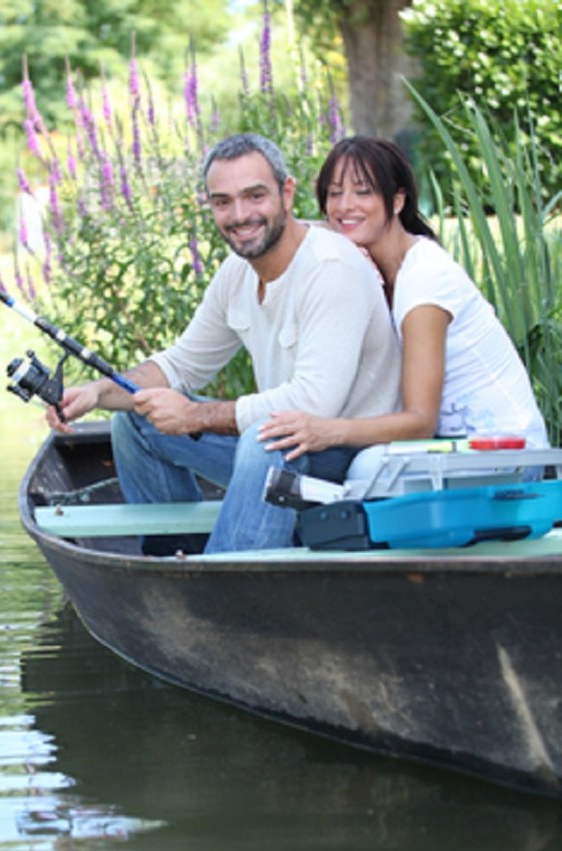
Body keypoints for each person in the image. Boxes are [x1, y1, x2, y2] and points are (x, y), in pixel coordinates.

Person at [46, 132, 401, 553]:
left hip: (350, 463)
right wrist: (98, 392)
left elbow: (312, 403)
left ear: (286, 194)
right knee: (136, 419)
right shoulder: (237, 272)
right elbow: (180, 364)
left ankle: (223, 582)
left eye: (255, 196)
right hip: (286, 454)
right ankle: (175, 560)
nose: (240, 215)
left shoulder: (330, 268)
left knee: (266, 436)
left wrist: (195, 416)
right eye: (222, 201)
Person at [258, 135, 549, 466]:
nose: (344, 206)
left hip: (507, 459)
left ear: (397, 202)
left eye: (363, 192)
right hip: (454, 454)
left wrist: (327, 430)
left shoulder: (424, 278)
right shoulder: (374, 268)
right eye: (334, 194)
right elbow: (308, 232)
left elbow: (420, 421)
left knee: (363, 468)